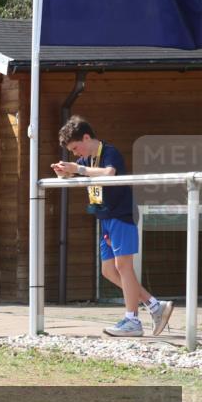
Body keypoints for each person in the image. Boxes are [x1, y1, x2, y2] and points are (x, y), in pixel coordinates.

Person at [52, 116, 174, 337]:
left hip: (121, 215)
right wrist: (64, 171)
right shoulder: (87, 159)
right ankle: (155, 306)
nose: (76, 154)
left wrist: (76, 169)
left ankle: (132, 320)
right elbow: (76, 170)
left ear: (87, 138)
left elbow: (109, 173)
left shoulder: (109, 151)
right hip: (105, 217)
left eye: (76, 147)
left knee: (123, 267)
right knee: (108, 270)